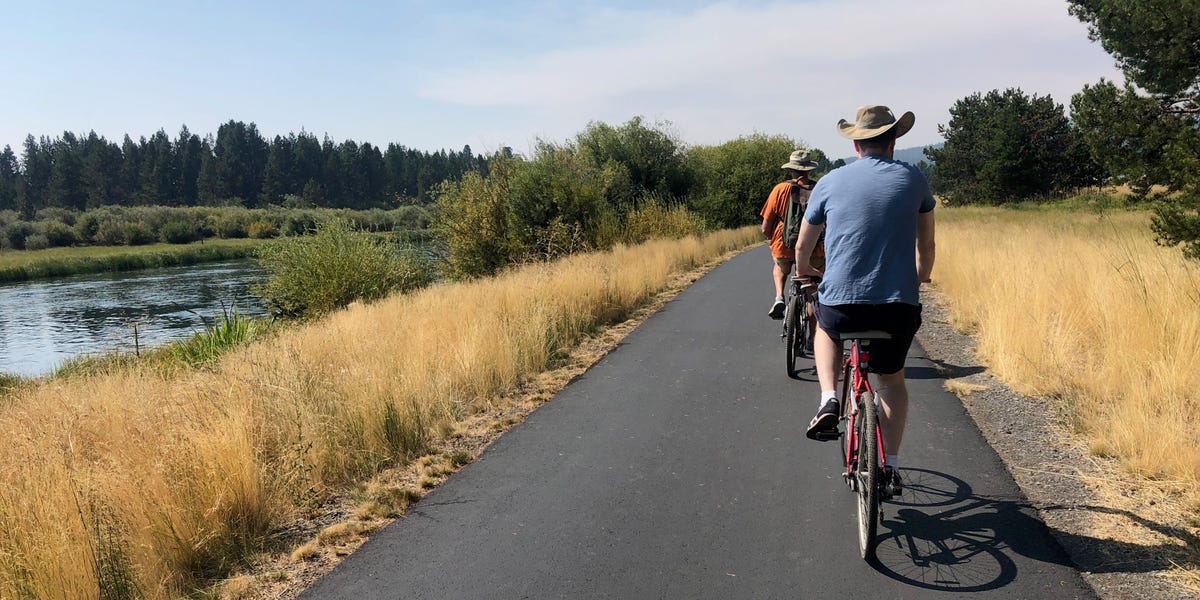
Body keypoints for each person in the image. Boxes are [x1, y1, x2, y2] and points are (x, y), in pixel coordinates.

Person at [793, 105, 936, 492]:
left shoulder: (828, 182)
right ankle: (888, 466)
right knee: (891, 383)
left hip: (841, 305)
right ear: (893, 142)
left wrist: (805, 271)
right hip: (897, 307)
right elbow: (927, 246)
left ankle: (827, 400)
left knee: (825, 326)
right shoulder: (914, 179)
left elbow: (803, 245)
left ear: (856, 144)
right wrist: (918, 279)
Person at [760, 150, 819, 319]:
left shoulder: (780, 189)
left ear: (790, 170)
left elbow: (765, 227)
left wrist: (772, 239)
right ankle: (811, 332)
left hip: (784, 243)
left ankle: (779, 296)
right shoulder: (818, 189)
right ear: (809, 170)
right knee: (811, 288)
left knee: (780, 267)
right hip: (814, 246)